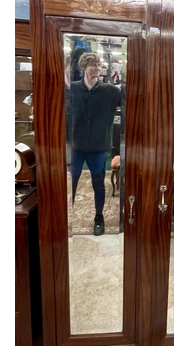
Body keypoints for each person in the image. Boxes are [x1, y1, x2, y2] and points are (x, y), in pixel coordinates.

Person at [69, 52, 121, 236]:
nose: (98, 68)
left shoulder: (111, 91)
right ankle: (67, 217)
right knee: (71, 181)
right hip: (75, 147)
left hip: (98, 148)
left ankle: (99, 217)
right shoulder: (72, 89)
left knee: (98, 183)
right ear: (83, 68)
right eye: (93, 65)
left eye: (99, 65)